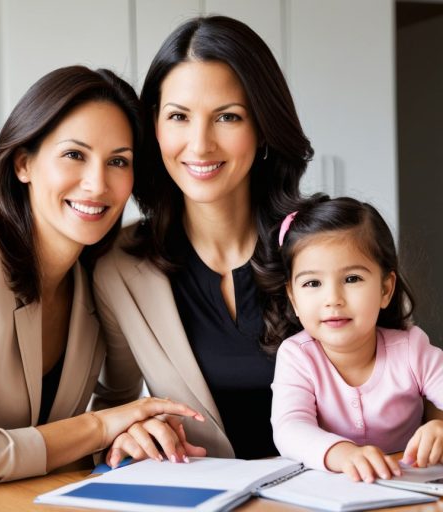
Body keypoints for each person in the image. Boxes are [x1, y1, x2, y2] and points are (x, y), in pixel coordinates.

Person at [0, 65, 205, 491]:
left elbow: (115, 412)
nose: (97, 183)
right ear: (23, 162)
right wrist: (98, 427)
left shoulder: (99, 283)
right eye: (74, 155)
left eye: (118, 161)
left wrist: (125, 435)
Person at [93, 14, 314, 463]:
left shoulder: (325, 240)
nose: (199, 144)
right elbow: (114, 410)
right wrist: (131, 433)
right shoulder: (120, 267)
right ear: (154, 128)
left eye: (228, 117)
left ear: (264, 127)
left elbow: (412, 373)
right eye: (179, 116)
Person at [270, 195, 443, 483]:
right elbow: (289, 428)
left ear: (386, 289)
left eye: (352, 279)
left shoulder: (412, 348)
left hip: (410, 489)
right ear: (294, 298)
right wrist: (344, 454)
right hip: (330, 490)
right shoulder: (297, 356)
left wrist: (439, 427)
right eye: (313, 283)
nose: (333, 299)